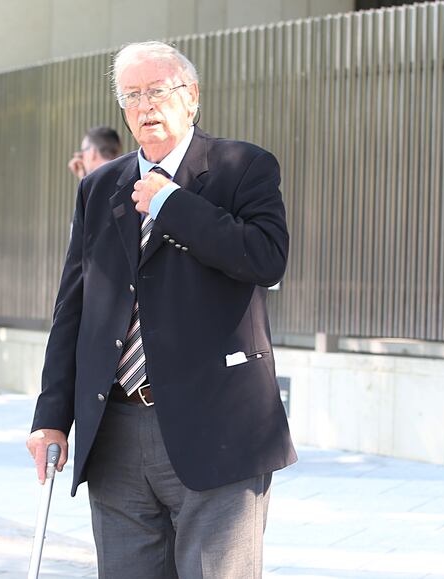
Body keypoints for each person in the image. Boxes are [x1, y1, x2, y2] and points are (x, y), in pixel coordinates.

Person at [26, 40, 296, 579]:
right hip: (116, 430)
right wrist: (52, 416)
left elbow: (266, 259)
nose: (145, 105)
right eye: (132, 95)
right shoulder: (101, 186)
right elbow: (74, 306)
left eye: (157, 90)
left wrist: (173, 204)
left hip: (216, 425)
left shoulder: (243, 168)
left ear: (191, 96)